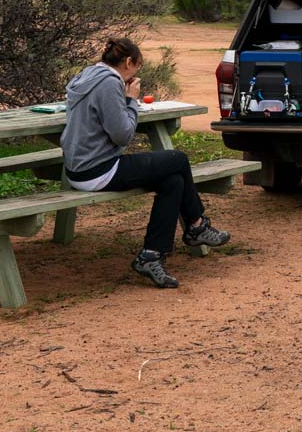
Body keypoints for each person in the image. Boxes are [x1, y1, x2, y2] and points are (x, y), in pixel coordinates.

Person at [61, 36, 229, 288]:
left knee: (172, 181)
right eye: (137, 68)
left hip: (80, 166)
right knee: (178, 159)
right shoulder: (108, 84)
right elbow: (123, 134)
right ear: (129, 62)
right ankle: (196, 226)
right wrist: (131, 100)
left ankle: (151, 256)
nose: (135, 74)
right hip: (98, 169)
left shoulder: (88, 75)